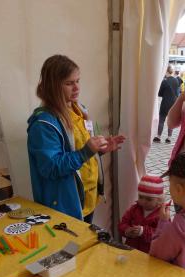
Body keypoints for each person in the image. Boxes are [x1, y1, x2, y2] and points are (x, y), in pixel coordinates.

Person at [27, 55, 125, 222]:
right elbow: (50, 168)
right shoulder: (43, 124)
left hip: (85, 200)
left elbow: (76, 150)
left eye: (78, 81)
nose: (77, 88)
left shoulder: (79, 109)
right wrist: (85, 152)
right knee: (70, 248)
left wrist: (98, 151)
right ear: (53, 86)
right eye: (69, 83)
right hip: (66, 205)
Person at [118, 175, 164, 253]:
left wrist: (143, 231)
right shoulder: (134, 209)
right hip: (132, 250)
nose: (143, 201)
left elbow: (162, 235)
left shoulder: (162, 214)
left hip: (151, 254)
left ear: (159, 200)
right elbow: (122, 224)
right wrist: (126, 230)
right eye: (141, 197)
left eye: (149, 199)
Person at [153, 65, 178, 144]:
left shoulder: (165, 81)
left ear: (166, 71)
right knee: (171, 120)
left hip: (165, 102)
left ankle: (158, 137)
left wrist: (164, 93)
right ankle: (169, 138)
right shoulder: (176, 80)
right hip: (173, 103)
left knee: (162, 119)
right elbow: (177, 92)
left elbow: (159, 93)